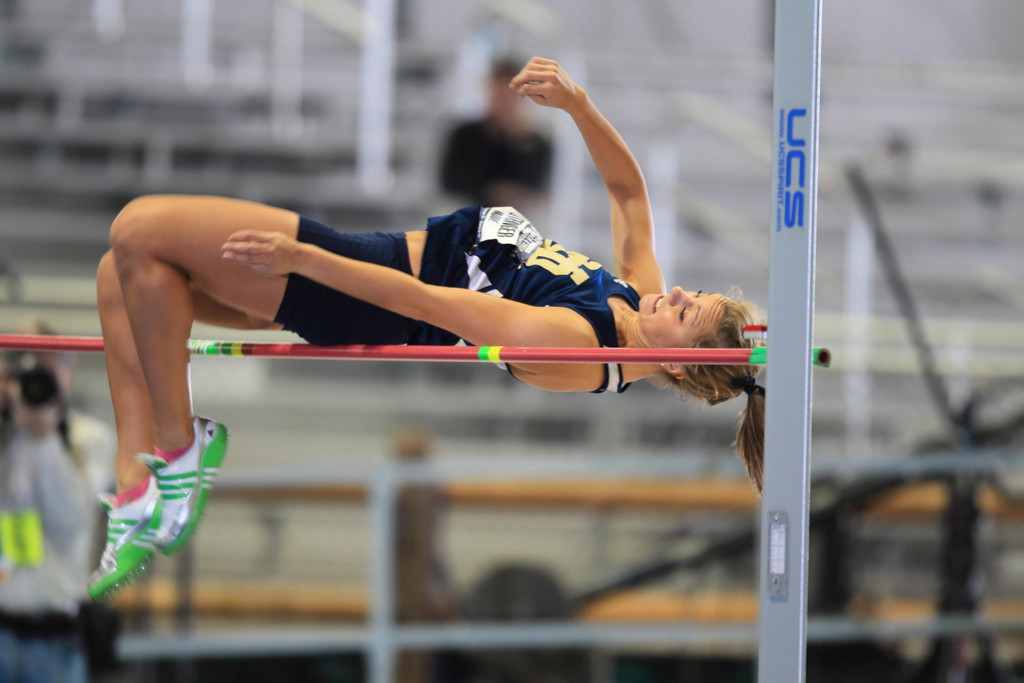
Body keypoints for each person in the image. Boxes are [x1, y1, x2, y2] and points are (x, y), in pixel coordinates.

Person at [89, 56, 765, 600]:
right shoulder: (637, 302)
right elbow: (628, 192)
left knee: (137, 229)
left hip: (368, 292)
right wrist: (578, 105)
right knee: (118, 276)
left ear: (676, 363)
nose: (676, 293)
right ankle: (135, 485)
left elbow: (425, 302)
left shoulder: (576, 346)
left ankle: (180, 448)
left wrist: (306, 261)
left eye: (686, 310)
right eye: (693, 294)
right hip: (380, 259)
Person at [0, 359, 94, 683]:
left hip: (54, 638)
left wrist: (44, 435)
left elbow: (71, 522)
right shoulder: (6, 439)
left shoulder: (86, 438)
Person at [440, 58, 553, 209]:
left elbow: (540, 189)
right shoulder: (465, 135)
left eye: (510, 96)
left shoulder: (536, 144)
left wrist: (518, 142)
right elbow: (450, 182)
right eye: (500, 95)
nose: (505, 103)